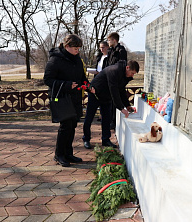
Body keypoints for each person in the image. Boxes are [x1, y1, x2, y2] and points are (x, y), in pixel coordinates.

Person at [44, 34, 94, 167]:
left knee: (72, 125)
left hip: (75, 97)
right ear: (67, 47)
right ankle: (59, 154)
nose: (78, 50)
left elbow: (82, 77)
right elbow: (47, 79)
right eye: (75, 48)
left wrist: (88, 86)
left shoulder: (77, 58)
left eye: (79, 48)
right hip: (61, 97)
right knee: (65, 126)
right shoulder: (55, 59)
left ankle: (68, 153)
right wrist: (66, 85)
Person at [82, 60, 139, 149]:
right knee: (89, 117)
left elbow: (121, 91)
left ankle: (106, 140)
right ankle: (86, 139)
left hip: (106, 96)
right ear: (127, 68)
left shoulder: (125, 75)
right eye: (132, 73)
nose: (132, 75)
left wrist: (127, 105)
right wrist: (121, 108)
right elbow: (114, 90)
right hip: (95, 93)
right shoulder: (114, 71)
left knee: (106, 118)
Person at [106, 32, 128, 130]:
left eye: (109, 40)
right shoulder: (110, 50)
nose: (108, 42)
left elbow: (121, 66)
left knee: (115, 100)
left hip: (116, 79)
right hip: (109, 77)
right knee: (110, 100)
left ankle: (114, 121)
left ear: (114, 40)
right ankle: (110, 119)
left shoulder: (121, 51)